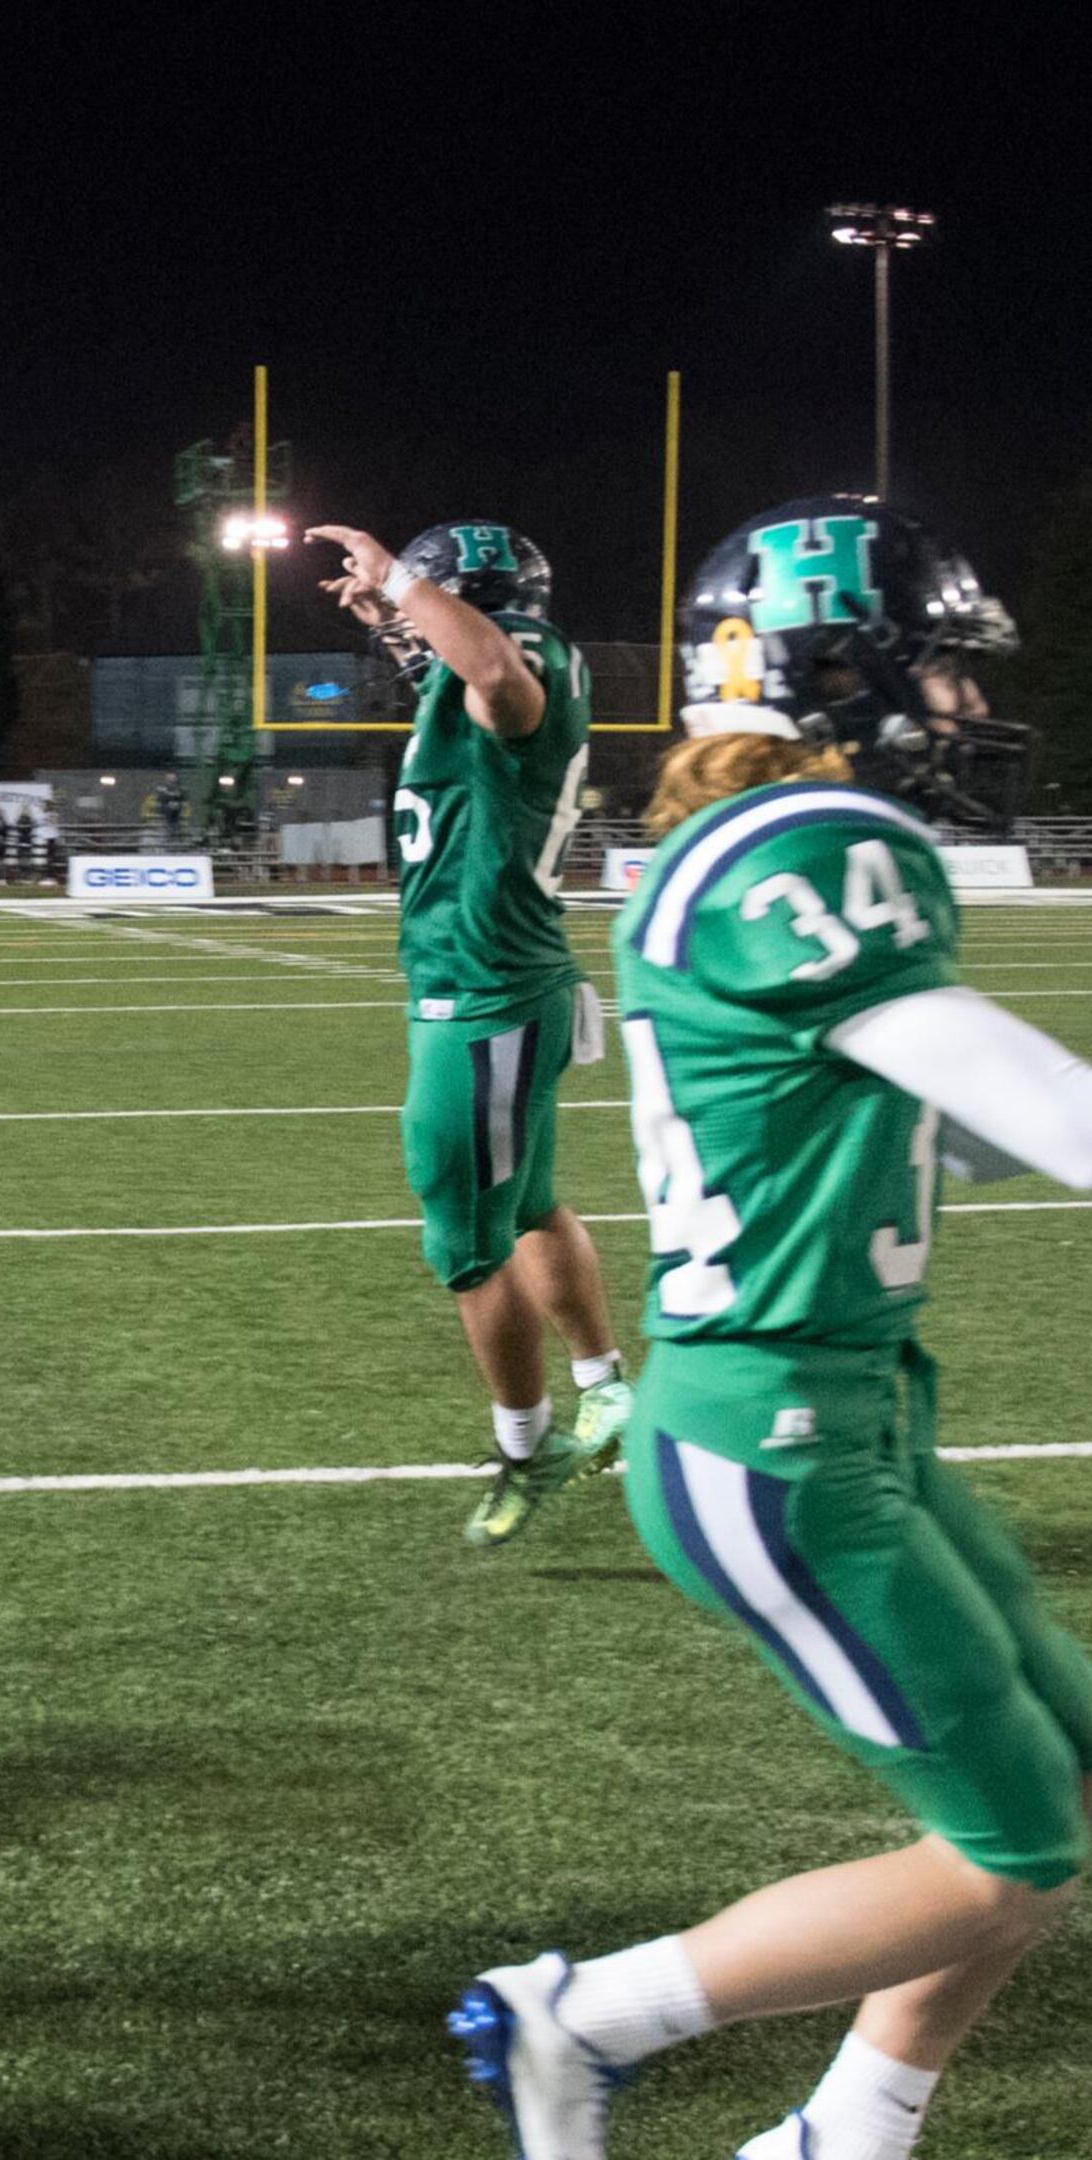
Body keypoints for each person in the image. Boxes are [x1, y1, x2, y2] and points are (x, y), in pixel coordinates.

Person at [454, 497, 1080, 2160]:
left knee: (1059, 1811)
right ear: (844, 672)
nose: (961, 708)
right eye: (937, 671)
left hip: (845, 1413)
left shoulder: (759, 848)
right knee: (1011, 1846)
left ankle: (847, 2138)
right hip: (773, 1436)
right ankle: (576, 2022)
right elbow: (1039, 1107)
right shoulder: (808, 850)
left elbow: (950, 1128)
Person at [315, 520, 628, 1546]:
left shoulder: (516, 659)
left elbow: (490, 668)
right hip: (500, 977)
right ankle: (605, 1387)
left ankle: (526, 1451)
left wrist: (400, 580)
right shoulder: (493, 665)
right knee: (529, 1203)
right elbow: (459, 671)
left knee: (462, 1240)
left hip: (483, 990)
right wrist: (393, 619)